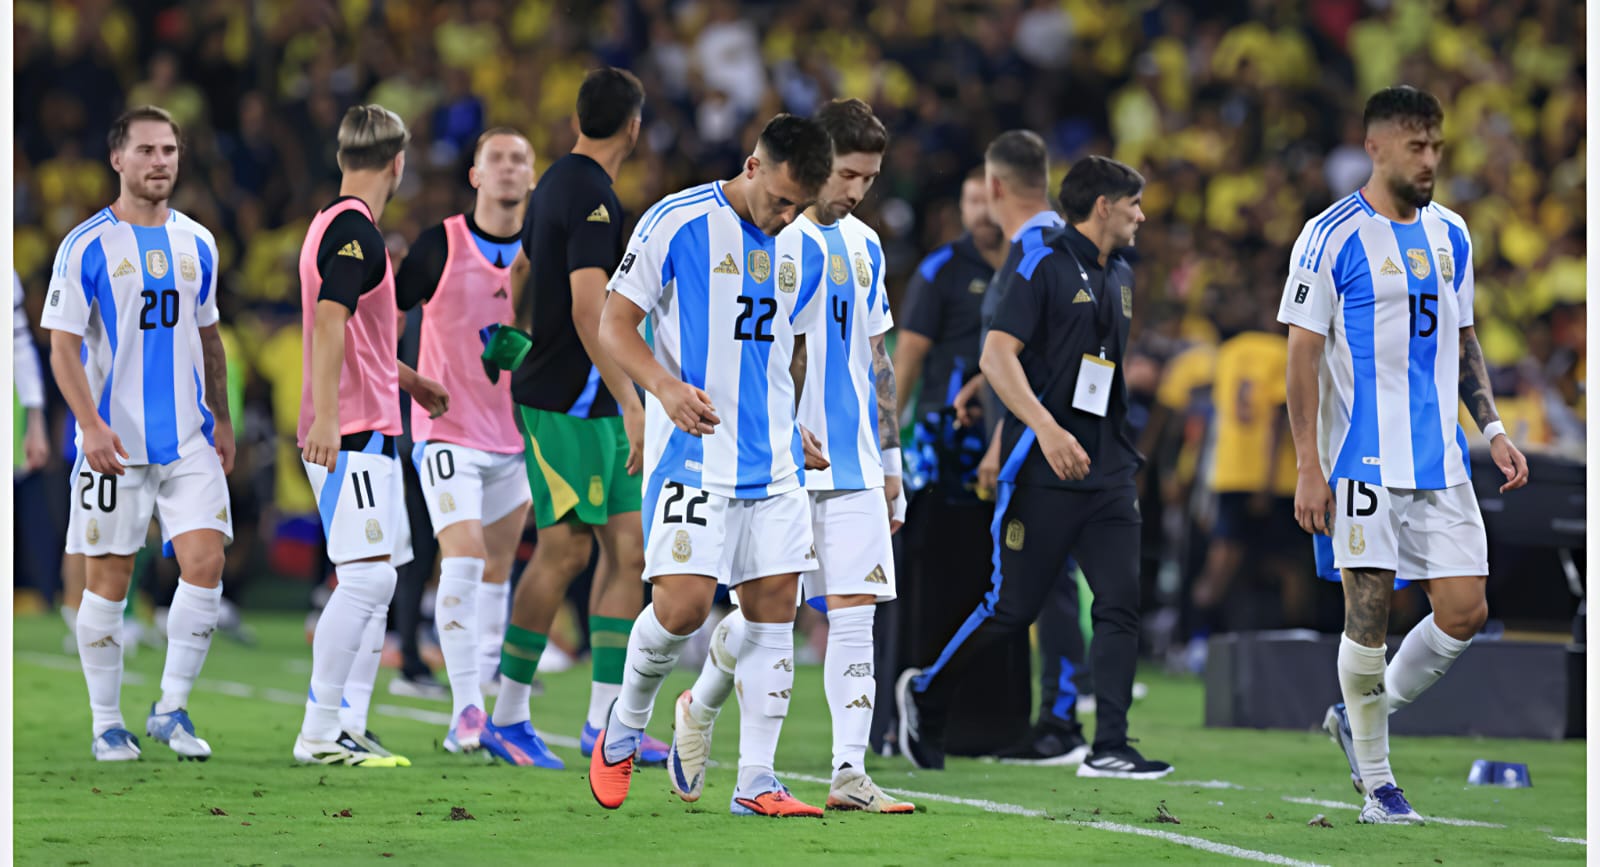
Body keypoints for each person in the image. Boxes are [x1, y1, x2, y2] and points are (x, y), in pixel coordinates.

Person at [1280, 86, 1528, 824]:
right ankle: (1379, 783)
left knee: (1464, 609)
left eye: (1437, 147)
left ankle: (1355, 712)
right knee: (1370, 614)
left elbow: (1463, 338)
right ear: (1378, 147)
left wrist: (1495, 428)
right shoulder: (1329, 236)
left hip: (1443, 458)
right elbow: (1302, 355)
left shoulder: (1453, 235)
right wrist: (1306, 465)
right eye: (1417, 147)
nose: (1430, 160)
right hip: (1362, 458)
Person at [669, 98, 912, 813]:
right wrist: (781, 429)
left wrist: (892, 466)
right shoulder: (777, 240)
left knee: (856, 612)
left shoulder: (866, 245)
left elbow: (877, 357)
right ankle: (704, 704)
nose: (855, 191)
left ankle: (848, 773)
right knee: (764, 615)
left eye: (868, 179)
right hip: (784, 458)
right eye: (844, 174)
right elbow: (779, 353)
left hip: (858, 462)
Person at [588, 113, 835, 817]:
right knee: (684, 608)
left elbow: (790, 346)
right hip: (693, 455)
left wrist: (796, 424)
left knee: (771, 615)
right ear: (753, 167)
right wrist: (663, 387)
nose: (787, 216)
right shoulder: (677, 220)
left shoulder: (805, 247)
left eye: (799, 206)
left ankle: (756, 778)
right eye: (780, 199)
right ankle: (625, 724)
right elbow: (614, 323)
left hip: (774, 462)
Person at [897, 155, 1173, 779]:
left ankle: (1110, 745)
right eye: (1134, 204)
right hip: (1041, 467)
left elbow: (1081, 364)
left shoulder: (1122, 274)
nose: (1142, 216)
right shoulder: (1040, 260)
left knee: (1119, 604)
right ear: (1103, 206)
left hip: (1105, 469)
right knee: (1011, 609)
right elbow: (998, 356)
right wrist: (1044, 431)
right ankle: (926, 693)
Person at [475, 67, 659, 770]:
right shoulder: (591, 197)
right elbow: (591, 312)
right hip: (567, 403)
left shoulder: (559, 181)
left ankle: (607, 724)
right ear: (634, 127)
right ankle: (508, 716)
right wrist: (634, 400)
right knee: (566, 551)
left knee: (629, 551)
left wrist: (515, 330)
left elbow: (522, 270)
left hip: (588, 400)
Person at [42, 105, 235, 761]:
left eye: (170, 150)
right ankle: (105, 722)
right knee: (110, 579)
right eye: (147, 150)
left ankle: (172, 708)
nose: (160, 162)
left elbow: (210, 337)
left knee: (205, 564)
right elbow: (62, 347)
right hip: (113, 443)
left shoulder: (199, 242)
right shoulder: (86, 245)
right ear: (117, 159)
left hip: (188, 439)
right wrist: (90, 425)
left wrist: (225, 417)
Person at [292, 104, 449, 767]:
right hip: (351, 429)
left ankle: (345, 721)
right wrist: (328, 416)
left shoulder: (334, 225)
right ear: (398, 164)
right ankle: (320, 729)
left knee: (377, 581)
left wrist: (407, 380)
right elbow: (331, 320)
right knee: (363, 580)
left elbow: (359, 335)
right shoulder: (356, 232)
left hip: (370, 421)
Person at [943, 132, 1097, 764]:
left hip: (1039, 448)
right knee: (1048, 582)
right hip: (1062, 438)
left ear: (997, 187)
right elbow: (1047, 349)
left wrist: (1004, 439)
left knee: (1042, 584)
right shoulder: (1065, 245)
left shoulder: (1034, 250)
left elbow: (1039, 362)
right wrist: (987, 382)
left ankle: (1061, 720)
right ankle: (1062, 713)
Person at [388, 127, 537, 753]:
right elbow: (374, 330)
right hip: (445, 430)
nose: (507, 168)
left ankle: (480, 707)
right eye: (495, 159)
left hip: (517, 436)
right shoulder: (438, 245)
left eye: (519, 160)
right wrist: (413, 381)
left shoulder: (544, 254)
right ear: (475, 175)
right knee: (466, 557)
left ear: (533, 177)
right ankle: (468, 708)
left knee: (498, 569)